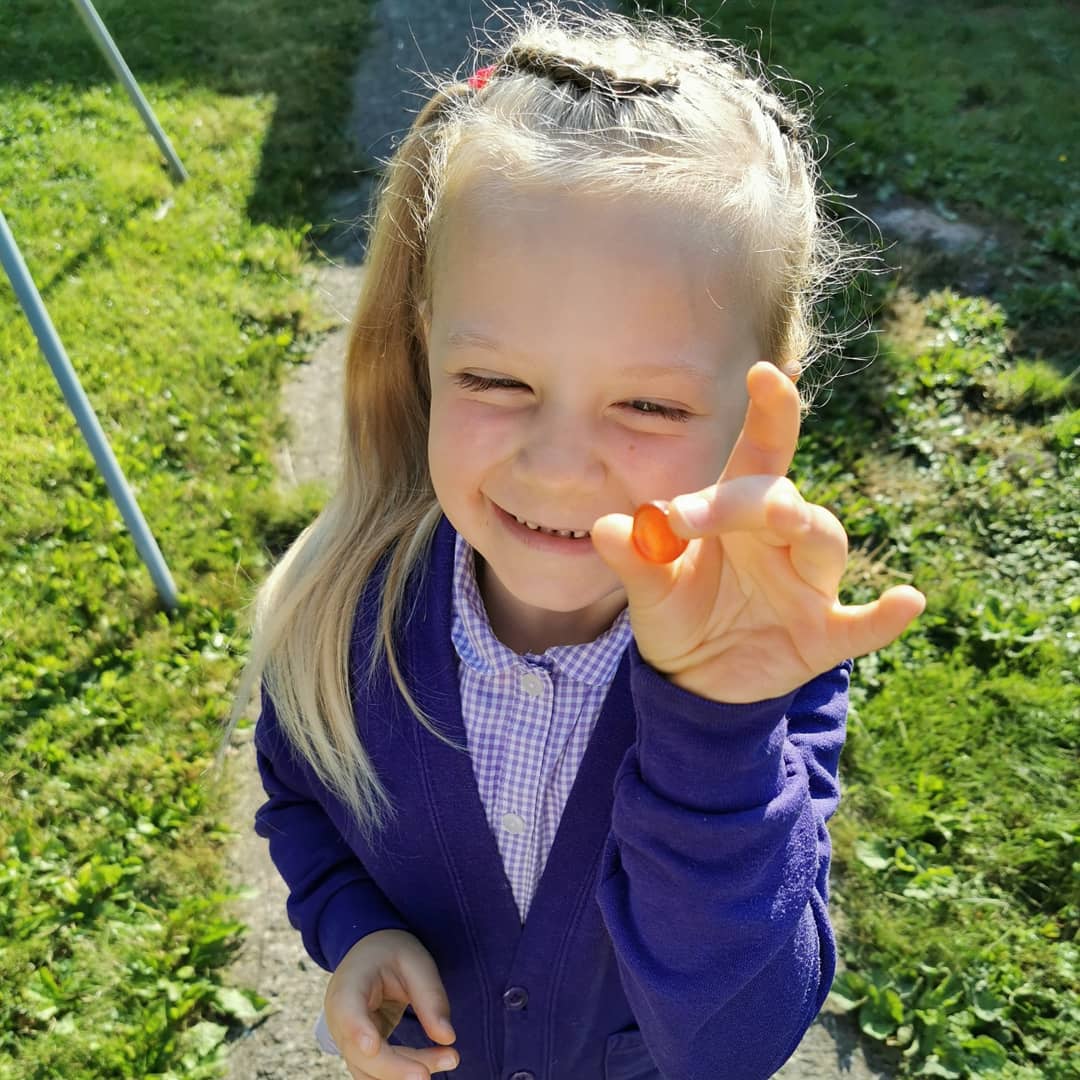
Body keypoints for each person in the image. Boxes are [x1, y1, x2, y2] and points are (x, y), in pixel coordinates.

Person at [220, 4, 926, 1078]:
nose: (556, 468)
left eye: (647, 406)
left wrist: (715, 728)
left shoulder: (764, 681)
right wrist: (354, 928)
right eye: (497, 381)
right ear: (424, 346)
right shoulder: (339, 618)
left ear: (762, 393)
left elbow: (736, 1042)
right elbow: (302, 803)